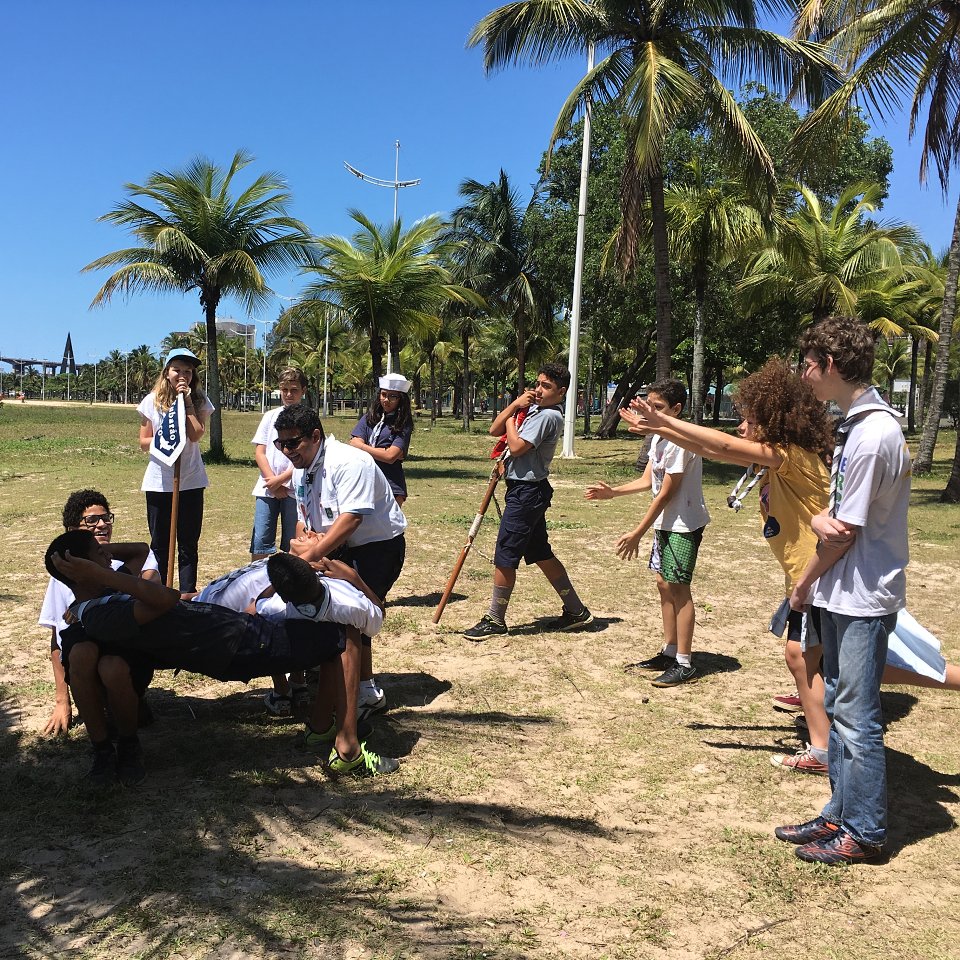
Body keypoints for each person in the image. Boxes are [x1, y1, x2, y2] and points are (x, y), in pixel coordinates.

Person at [46, 531, 398, 781]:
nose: (108, 556)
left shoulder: (103, 597)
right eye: (99, 554)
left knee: (330, 638)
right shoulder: (101, 611)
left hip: (230, 633)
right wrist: (96, 572)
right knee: (343, 636)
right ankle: (347, 749)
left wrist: (93, 564)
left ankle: (321, 729)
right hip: (236, 643)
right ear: (84, 572)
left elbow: (139, 553)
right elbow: (166, 598)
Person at [778, 316, 912, 865]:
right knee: (839, 703)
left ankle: (864, 830)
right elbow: (838, 519)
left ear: (830, 365)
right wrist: (821, 525)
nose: (804, 375)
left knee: (857, 716)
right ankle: (839, 812)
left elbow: (841, 532)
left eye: (808, 365)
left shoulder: (873, 434)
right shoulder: (856, 426)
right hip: (844, 591)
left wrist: (804, 580)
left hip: (860, 595)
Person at [277, 402, 407, 717]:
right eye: (281, 444)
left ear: (315, 436)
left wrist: (306, 558)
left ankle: (366, 693)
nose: (287, 451)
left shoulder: (350, 462)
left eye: (293, 443)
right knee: (335, 615)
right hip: (337, 546)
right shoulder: (302, 469)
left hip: (377, 546)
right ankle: (339, 680)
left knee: (355, 615)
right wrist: (302, 544)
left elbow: (351, 519)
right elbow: (303, 519)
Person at [586, 378, 709, 686]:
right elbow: (647, 481)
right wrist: (613, 492)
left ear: (676, 410)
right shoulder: (658, 438)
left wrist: (637, 532)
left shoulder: (680, 442)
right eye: (648, 406)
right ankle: (669, 651)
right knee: (663, 584)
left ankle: (684, 662)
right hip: (665, 523)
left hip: (683, 524)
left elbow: (666, 493)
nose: (650, 412)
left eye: (658, 407)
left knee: (678, 588)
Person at [463, 362, 592, 640]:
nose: (539, 390)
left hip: (527, 493)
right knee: (541, 553)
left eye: (547, 386)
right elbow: (494, 430)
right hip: (522, 490)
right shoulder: (533, 410)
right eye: (538, 384)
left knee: (505, 554)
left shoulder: (549, 416)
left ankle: (495, 618)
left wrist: (512, 419)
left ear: (561, 392)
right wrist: (515, 406)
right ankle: (576, 610)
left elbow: (517, 447)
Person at [38, 491, 160, 781]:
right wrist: (62, 700)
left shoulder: (114, 566)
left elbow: (141, 551)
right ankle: (102, 750)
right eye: (92, 521)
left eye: (106, 518)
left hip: (122, 645)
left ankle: (129, 745)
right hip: (84, 647)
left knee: (112, 666)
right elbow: (57, 639)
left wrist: (96, 552)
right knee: (82, 653)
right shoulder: (65, 576)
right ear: (73, 529)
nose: (103, 524)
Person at [249, 366, 309, 717]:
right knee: (261, 543)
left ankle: (289, 586)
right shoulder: (270, 416)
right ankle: (260, 586)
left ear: (303, 391)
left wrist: (285, 479)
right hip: (267, 488)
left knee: (293, 545)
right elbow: (260, 451)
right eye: (285, 389)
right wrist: (271, 480)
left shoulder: (306, 418)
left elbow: (303, 457)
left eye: (294, 389)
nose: (289, 394)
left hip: (292, 488)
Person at [137, 348, 214, 592]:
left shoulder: (200, 399)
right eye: (177, 370)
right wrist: (167, 440)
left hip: (190, 480)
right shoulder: (151, 401)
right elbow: (144, 442)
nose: (182, 376)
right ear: (166, 372)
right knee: (160, 543)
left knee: (188, 544)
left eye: (188, 372)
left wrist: (187, 401)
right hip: (160, 482)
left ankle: (187, 593)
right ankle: (160, 593)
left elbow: (196, 434)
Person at [349, 374, 414, 506]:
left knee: (390, 520)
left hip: (391, 484)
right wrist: (382, 451)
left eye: (393, 396)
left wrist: (362, 447)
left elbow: (390, 456)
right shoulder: (369, 418)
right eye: (383, 394)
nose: (386, 400)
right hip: (364, 482)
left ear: (401, 399)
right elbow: (353, 444)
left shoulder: (403, 423)